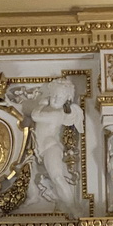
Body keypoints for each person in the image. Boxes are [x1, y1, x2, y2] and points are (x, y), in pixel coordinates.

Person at [31, 76, 83, 218]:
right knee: (55, 179)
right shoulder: (51, 110)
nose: (54, 99)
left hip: (50, 147)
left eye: (59, 97)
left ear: (66, 100)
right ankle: (64, 203)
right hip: (40, 149)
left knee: (58, 178)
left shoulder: (56, 114)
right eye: (53, 95)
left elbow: (35, 116)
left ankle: (73, 207)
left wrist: (41, 103)